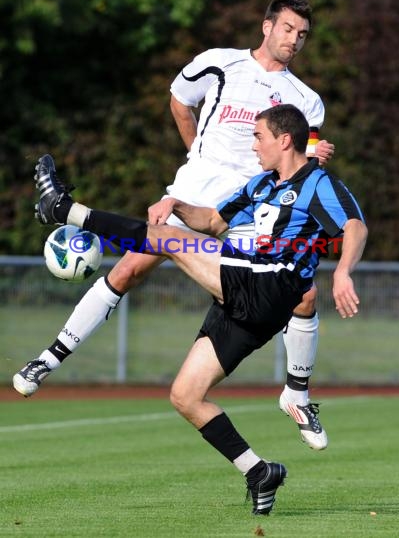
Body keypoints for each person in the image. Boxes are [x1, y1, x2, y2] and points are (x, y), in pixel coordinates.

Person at [13, 0, 334, 450]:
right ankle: (47, 359)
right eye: (287, 29)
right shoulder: (219, 63)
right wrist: (193, 161)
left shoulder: (307, 100)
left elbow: (299, 162)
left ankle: (297, 396)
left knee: (303, 295)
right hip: (192, 197)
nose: (294, 40)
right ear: (266, 26)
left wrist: (313, 156)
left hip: (244, 216)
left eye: (302, 35)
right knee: (127, 270)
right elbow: (180, 102)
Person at [20, 105, 367, 515]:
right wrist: (177, 203)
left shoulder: (318, 181)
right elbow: (213, 222)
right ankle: (259, 473)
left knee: (166, 240)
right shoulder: (260, 185)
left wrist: (343, 271)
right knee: (185, 397)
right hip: (242, 301)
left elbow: (355, 226)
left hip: (267, 284)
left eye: (258, 137)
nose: (253, 146)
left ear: (284, 139)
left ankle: (64, 210)